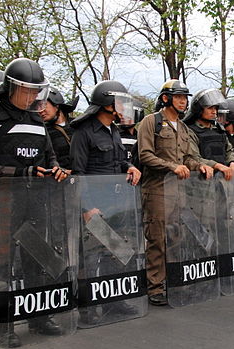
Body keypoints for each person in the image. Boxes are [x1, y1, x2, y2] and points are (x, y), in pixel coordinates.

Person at [0, 57, 68, 347]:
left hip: (35, 200)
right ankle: (2, 323)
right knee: (1, 265)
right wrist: (18, 172)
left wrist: (56, 168)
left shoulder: (37, 120)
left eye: (35, 91)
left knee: (36, 260)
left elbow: (49, 155)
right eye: (26, 90)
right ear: (11, 87)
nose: (31, 96)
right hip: (3, 203)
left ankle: (39, 317)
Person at [69, 80, 143, 324]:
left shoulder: (113, 130)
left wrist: (131, 167)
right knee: (90, 258)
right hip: (94, 206)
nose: (123, 107)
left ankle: (114, 304)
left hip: (115, 204)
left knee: (115, 253)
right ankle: (87, 310)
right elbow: (77, 174)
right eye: (119, 101)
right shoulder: (83, 132)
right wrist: (86, 208)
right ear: (107, 103)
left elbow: (120, 160)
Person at [137, 79, 212, 306]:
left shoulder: (185, 128)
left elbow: (188, 158)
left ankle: (175, 280)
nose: (183, 101)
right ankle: (155, 287)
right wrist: (172, 166)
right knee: (157, 239)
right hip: (157, 190)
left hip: (180, 192)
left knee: (177, 237)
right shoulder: (151, 122)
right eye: (179, 96)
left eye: (185, 97)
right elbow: (145, 155)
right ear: (166, 98)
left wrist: (200, 165)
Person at [183, 88, 234, 180]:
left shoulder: (219, 130)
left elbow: (229, 150)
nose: (214, 112)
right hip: (200, 181)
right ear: (199, 109)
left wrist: (232, 162)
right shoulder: (190, 131)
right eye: (210, 108)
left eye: (216, 108)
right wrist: (217, 165)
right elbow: (194, 158)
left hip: (222, 181)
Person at [40, 87, 78, 171]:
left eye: (44, 105)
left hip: (82, 177)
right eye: (38, 106)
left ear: (56, 105)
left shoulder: (78, 126)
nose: (41, 111)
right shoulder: (42, 131)